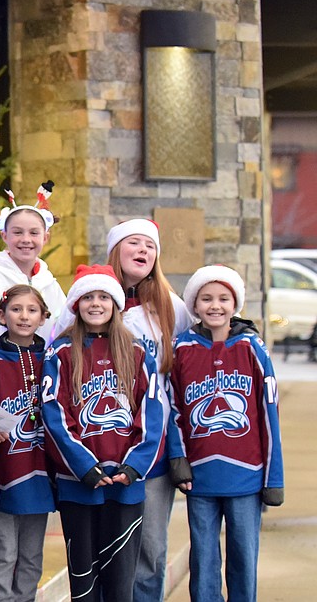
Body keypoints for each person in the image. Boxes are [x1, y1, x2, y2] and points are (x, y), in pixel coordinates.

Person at [42, 265, 164, 602]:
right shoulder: (61, 353)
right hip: (79, 483)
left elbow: (152, 414)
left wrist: (133, 466)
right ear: (76, 304)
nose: (96, 304)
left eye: (103, 297)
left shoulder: (138, 353)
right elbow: (54, 415)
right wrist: (84, 467)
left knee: (120, 578)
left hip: (125, 483)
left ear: (116, 304)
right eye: (88, 297)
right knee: (83, 578)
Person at [167, 265, 284, 602]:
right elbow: (173, 409)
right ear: (194, 304)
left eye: (223, 298)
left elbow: (268, 415)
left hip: (247, 475)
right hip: (199, 476)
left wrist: (273, 478)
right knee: (203, 558)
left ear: (235, 304)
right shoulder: (181, 349)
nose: (215, 306)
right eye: (206, 299)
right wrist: (179, 458)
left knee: (243, 556)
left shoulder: (252, 348)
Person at [97, 219, 190, 602]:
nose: (143, 251)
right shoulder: (96, 298)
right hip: (103, 446)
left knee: (151, 548)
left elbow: (187, 371)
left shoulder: (173, 307)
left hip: (154, 447)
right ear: (116, 251)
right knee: (108, 545)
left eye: (150, 245)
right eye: (133, 243)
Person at [0, 286, 55, 602]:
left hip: (41, 473)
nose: (24, 316)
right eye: (16, 309)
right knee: (3, 553)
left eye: (32, 310)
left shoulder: (54, 360)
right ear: (1, 315)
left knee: (31, 556)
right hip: (3, 472)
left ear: (43, 318)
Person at [0, 182, 65, 347]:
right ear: (4, 236)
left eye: (34, 233)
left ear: (45, 238)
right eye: (17, 232)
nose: (26, 240)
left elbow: (63, 324)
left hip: (41, 367)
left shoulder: (49, 283)